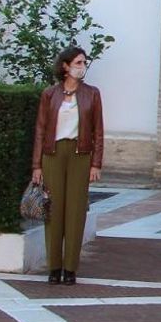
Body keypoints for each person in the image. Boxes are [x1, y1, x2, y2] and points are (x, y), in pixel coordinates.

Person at [32, 46, 104, 285]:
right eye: (78, 62)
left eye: (84, 63)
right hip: (53, 154)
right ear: (65, 66)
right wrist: (37, 166)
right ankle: (54, 266)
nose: (82, 67)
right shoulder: (50, 94)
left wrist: (96, 163)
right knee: (53, 210)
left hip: (79, 153)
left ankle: (70, 268)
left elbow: (98, 131)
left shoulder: (92, 94)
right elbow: (41, 130)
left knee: (75, 211)